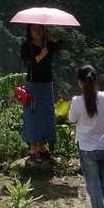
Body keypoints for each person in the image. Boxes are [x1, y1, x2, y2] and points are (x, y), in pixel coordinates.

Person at [67, 65, 104, 208]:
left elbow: (71, 119)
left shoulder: (77, 101)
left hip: (87, 148)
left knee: (94, 188)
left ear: (80, 81)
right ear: (96, 80)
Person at [20, 23, 65, 162]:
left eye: (40, 28)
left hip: (47, 84)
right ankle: (33, 149)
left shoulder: (48, 44)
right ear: (29, 30)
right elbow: (28, 64)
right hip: (33, 85)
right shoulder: (26, 46)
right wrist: (41, 55)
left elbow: (61, 44)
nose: (37, 31)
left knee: (46, 114)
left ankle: (42, 147)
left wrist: (49, 35)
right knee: (33, 115)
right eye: (34, 29)